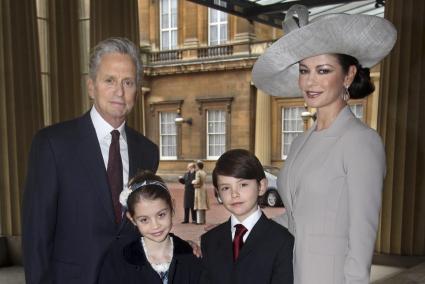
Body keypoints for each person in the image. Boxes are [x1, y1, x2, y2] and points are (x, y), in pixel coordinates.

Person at [252, 5, 397, 284]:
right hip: (290, 271)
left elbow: (362, 234)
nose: (310, 81)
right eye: (304, 70)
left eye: (323, 70)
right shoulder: (299, 143)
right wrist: (246, 231)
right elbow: (296, 219)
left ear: (348, 75)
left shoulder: (362, 142)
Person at [22, 37, 159, 284]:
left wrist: (181, 247)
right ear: (91, 86)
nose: (120, 91)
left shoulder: (147, 151)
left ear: (136, 91)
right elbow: (36, 236)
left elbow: (146, 223)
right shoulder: (53, 144)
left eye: (128, 82)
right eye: (110, 80)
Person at [200, 149, 294, 284]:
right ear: (218, 193)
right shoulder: (210, 240)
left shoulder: (281, 241)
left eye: (243, 185)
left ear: (261, 186)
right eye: (226, 188)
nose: (234, 194)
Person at [98, 170, 202, 283]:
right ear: (132, 219)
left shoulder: (190, 255)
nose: (155, 225)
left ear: (173, 207)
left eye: (161, 215)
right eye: (144, 220)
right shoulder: (119, 260)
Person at [192, 160, 209, 224]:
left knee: (199, 205)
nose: (195, 167)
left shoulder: (198, 172)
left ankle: (199, 221)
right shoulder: (204, 172)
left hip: (199, 189)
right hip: (204, 188)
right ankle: (203, 220)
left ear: (198, 166)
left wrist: (193, 181)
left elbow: (198, 181)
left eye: (196, 166)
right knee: (203, 205)